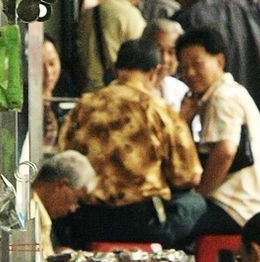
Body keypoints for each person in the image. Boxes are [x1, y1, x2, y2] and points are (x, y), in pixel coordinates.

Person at [57, 37, 206, 249]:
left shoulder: (84, 105)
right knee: (196, 202)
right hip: (144, 224)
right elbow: (188, 175)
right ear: (155, 72)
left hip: (88, 222)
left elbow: (64, 159)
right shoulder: (158, 109)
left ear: (117, 69)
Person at [177, 0, 260, 187]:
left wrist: (202, 193)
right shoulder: (250, 4)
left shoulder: (194, 14)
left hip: (219, 93)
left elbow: (224, 151)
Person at [176, 28, 260, 237]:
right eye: (184, 67)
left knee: (169, 224)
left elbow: (225, 151)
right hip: (244, 205)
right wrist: (185, 120)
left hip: (236, 208)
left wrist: (199, 195)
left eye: (197, 64)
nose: (190, 73)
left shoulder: (223, 97)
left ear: (220, 61)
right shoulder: (221, 94)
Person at [31, 151, 98, 257]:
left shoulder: (41, 216)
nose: (73, 209)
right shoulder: (30, 214)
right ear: (63, 185)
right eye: (76, 199)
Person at [77, 0, 147, 91]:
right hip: (120, 93)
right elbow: (144, 58)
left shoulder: (89, 14)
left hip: (91, 91)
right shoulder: (130, 15)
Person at [149, 18, 191, 109]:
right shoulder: (128, 90)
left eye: (171, 52)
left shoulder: (181, 90)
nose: (165, 59)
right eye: (159, 50)